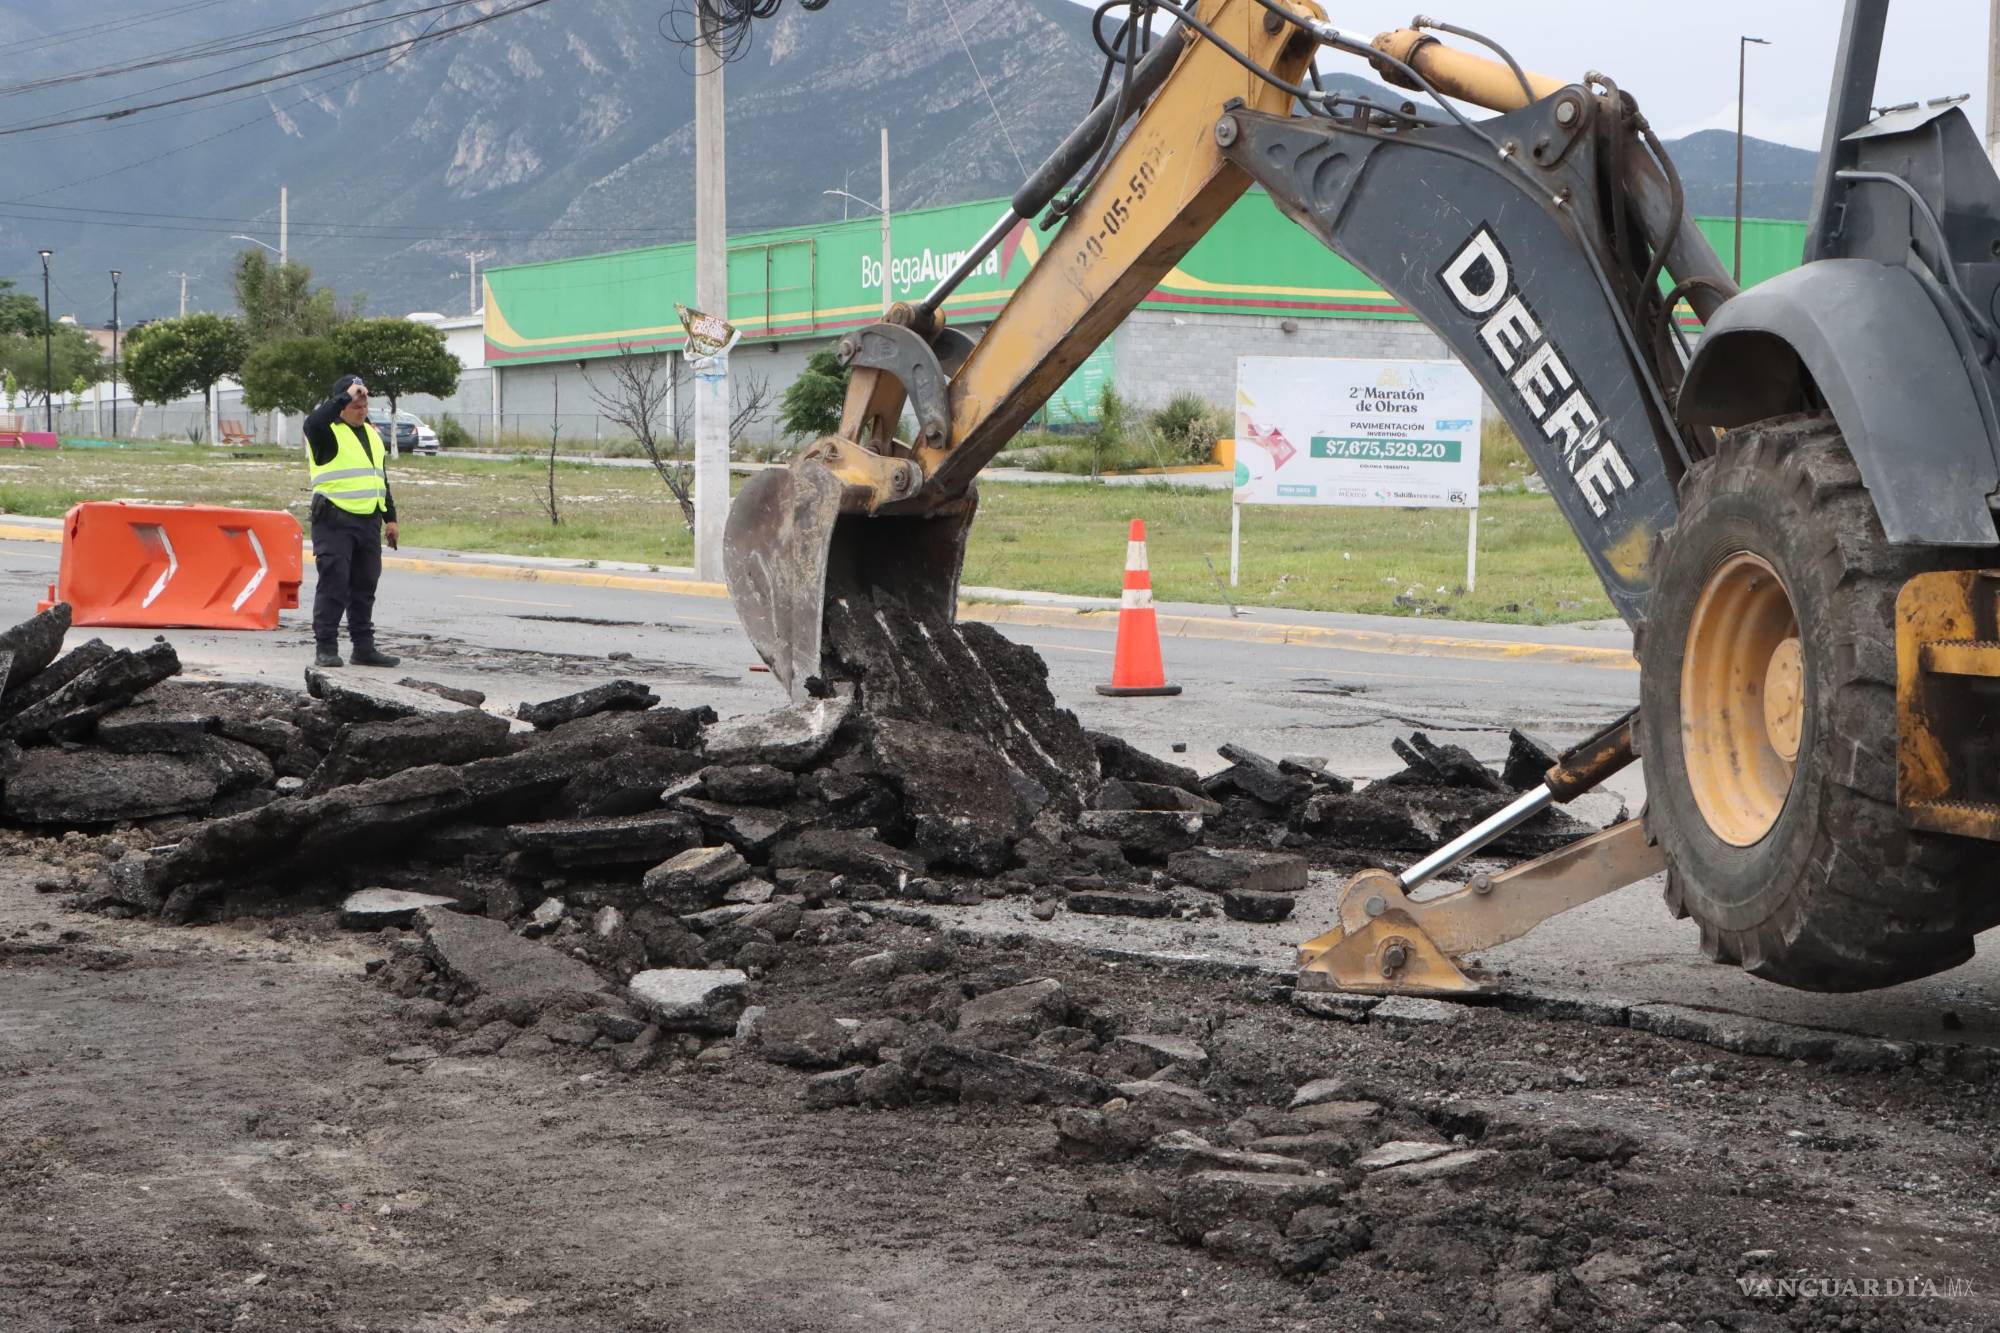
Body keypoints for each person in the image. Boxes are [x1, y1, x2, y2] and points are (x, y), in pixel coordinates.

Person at [303, 374, 401, 668]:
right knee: (334, 585)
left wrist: (390, 519)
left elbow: (379, 478)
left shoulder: (372, 434)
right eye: (355, 399)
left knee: (364, 585)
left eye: (364, 400)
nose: (362, 404)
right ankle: (326, 648)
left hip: (368, 520)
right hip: (334, 519)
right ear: (341, 403)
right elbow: (312, 422)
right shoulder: (326, 432)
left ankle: (363, 648)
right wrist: (346, 394)